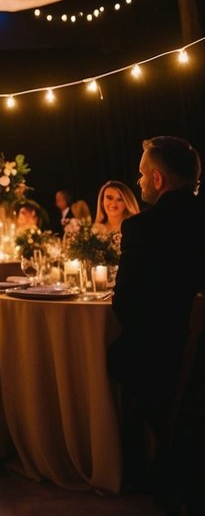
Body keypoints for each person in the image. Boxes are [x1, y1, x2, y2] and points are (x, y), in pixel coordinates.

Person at [108, 136, 205, 473]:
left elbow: (125, 306)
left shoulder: (141, 227)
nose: (139, 181)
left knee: (108, 355)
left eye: (142, 174)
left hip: (163, 357)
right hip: (197, 357)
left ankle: (133, 464)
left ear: (158, 179)